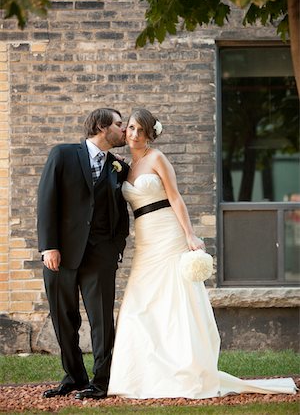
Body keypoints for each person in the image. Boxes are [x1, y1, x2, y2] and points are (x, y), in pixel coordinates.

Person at [107, 108, 297, 399]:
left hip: (168, 232)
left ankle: (186, 366)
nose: (133, 134)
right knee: (140, 301)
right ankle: (140, 373)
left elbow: (175, 197)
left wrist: (189, 234)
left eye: (140, 131)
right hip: (144, 238)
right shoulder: (123, 166)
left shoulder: (157, 158)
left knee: (175, 298)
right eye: (131, 128)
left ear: (149, 134)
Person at [37, 108, 129, 400]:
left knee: (102, 320)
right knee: (63, 318)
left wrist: (116, 248)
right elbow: (46, 200)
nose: (123, 129)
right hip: (60, 254)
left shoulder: (118, 166)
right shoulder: (63, 155)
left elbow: (121, 213)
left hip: (101, 255)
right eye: (118, 124)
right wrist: (48, 246)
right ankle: (74, 377)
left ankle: (100, 382)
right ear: (102, 127)